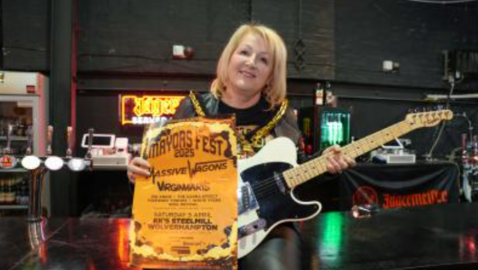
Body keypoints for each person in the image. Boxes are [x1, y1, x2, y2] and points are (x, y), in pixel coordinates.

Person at [127, 22, 355, 270]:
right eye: (244, 52)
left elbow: (295, 172)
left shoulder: (282, 116)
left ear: (271, 73)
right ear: (229, 56)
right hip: (201, 225)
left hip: (269, 226)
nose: (251, 62)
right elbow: (164, 171)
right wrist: (141, 172)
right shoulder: (192, 108)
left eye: (263, 60)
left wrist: (325, 163)